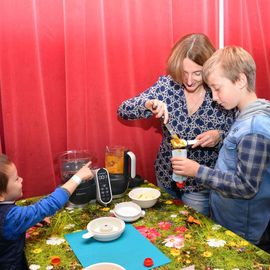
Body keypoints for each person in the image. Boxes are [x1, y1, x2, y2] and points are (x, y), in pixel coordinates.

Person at [117, 33, 234, 216]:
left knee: (193, 233)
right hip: (166, 175)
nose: (188, 80)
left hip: (199, 183)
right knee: (165, 227)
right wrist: (149, 104)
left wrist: (219, 136)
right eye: (184, 73)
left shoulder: (219, 90)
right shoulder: (168, 86)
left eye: (197, 73)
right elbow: (123, 110)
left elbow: (239, 133)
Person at [171, 46, 270, 251]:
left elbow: (245, 187)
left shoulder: (254, 128)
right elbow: (242, 149)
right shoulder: (245, 117)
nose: (214, 97)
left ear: (240, 81)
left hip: (241, 230)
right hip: (229, 217)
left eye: (217, 88)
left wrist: (196, 170)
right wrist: (220, 137)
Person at [0, 154, 94, 269]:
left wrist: (29, 219)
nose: (21, 179)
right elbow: (50, 204)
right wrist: (78, 177)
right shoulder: (10, 218)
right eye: (16, 179)